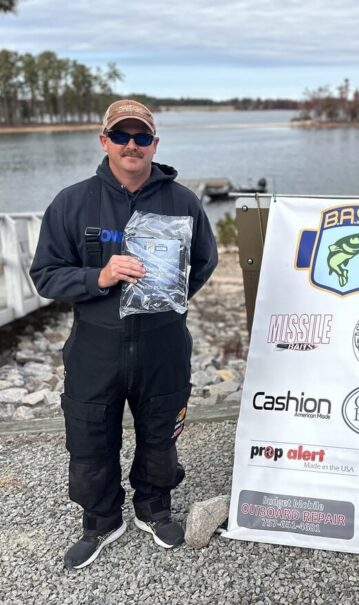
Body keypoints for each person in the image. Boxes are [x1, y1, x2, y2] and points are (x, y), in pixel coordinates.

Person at [30, 99, 218, 569]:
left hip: (163, 343)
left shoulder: (183, 201)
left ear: (155, 144)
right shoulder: (72, 202)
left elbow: (205, 260)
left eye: (141, 137)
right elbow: (46, 274)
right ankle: (100, 519)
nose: (131, 145)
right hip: (95, 344)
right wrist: (98, 278)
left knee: (160, 433)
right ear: (104, 142)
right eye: (121, 136)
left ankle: (153, 508)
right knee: (90, 436)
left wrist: (169, 296)